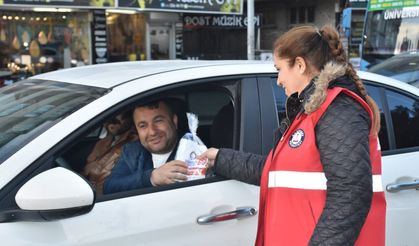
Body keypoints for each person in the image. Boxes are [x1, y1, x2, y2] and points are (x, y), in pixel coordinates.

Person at [199, 25, 386, 245]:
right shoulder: (309, 112)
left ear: (299, 64)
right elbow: (276, 171)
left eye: (279, 68)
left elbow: (351, 194)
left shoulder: (338, 109)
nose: (278, 80)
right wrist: (220, 158)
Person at [103, 99, 188, 194]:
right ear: (137, 130)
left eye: (158, 121)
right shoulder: (132, 150)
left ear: (174, 121)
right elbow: (109, 187)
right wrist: (151, 178)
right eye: (143, 126)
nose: (152, 132)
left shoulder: (191, 149)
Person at [82, 111, 137, 195]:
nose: (109, 123)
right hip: (86, 189)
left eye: (115, 119)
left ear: (130, 118)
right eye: (107, 118)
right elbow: (88, 167)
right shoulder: (104, 141)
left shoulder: (134, 143)